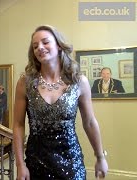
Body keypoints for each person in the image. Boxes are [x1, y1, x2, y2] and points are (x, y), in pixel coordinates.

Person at [13, 25, 108, 179]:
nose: (40, 48)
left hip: (71, 162)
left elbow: (89, 122)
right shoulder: (25, 82)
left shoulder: (78, 81)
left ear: (58, 45)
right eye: (35, 46)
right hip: (36, 163)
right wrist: (20, 165)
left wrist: (100, 157)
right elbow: (18, 125)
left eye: (45, 42)